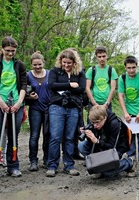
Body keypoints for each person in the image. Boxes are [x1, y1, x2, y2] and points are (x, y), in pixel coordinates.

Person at [0, 36, 27, 182]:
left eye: (13, 51)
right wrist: (0, 101)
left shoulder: (19, 65)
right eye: (7, 50)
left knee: (13, 136)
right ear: (2, 49)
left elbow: (23, 85)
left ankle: (13, 166)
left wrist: (19, 102)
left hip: (16, 103)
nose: (10, 53)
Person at [46, 49, 86, 177]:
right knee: (55, 137)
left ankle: (69, 165)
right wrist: (69, 85)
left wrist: (63, 86)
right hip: (57, 107)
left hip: (73, 107)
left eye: (69, 63)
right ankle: (52, 165)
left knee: (70, 138)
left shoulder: (79, 72)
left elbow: (81, 88)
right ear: (60, 61)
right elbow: (51, 85)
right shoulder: (54, 71)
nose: (66, 65)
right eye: (64, 62)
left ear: (74, 62)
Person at [78, 105, 136, 178]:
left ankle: (129, 162)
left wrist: (97, 141)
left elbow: (111, 148)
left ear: (105, 118)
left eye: (97, 122)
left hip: (117, 148)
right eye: (93, 123)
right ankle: (99, 167)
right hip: (103, 145)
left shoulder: (115, 124)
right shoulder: (95, 122)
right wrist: (88, 136)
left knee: (107, 172)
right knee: (82, 146)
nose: (95, 125)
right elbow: (92, 144)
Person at [118, 55, 139, 169]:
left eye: (133, 67)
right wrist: (125, 113)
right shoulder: (122, 78)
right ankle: (131, 157)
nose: (131, 70)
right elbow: (121, 95)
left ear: (136, 66)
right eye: (129, 68)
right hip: (129, 112)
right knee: (130, 137)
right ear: (125, 68)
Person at [26, 51, 51, 171]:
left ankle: (46, 159)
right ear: (31, 64)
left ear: (43, 63)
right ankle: (33, 161)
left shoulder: (50, 74)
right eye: (35, 65)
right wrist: (29, 96)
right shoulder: (28, 75)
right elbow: (23, 91)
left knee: (47, 135)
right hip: (35, 108)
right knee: (34, 135)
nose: (37, 67)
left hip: (48, 108)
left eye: (39, 64)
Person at [85, 46, 118, 111]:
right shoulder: (91, 70)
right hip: (93, 103)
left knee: (107, 121)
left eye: (103, 56)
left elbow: (113, 88)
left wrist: (107, 103)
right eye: (99, 57)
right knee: (93, 121)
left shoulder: (111, 70)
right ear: (96, 57)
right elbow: (87, 88)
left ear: (107, 56)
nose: (102, 59)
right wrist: (94, 103)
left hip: (107, 103)